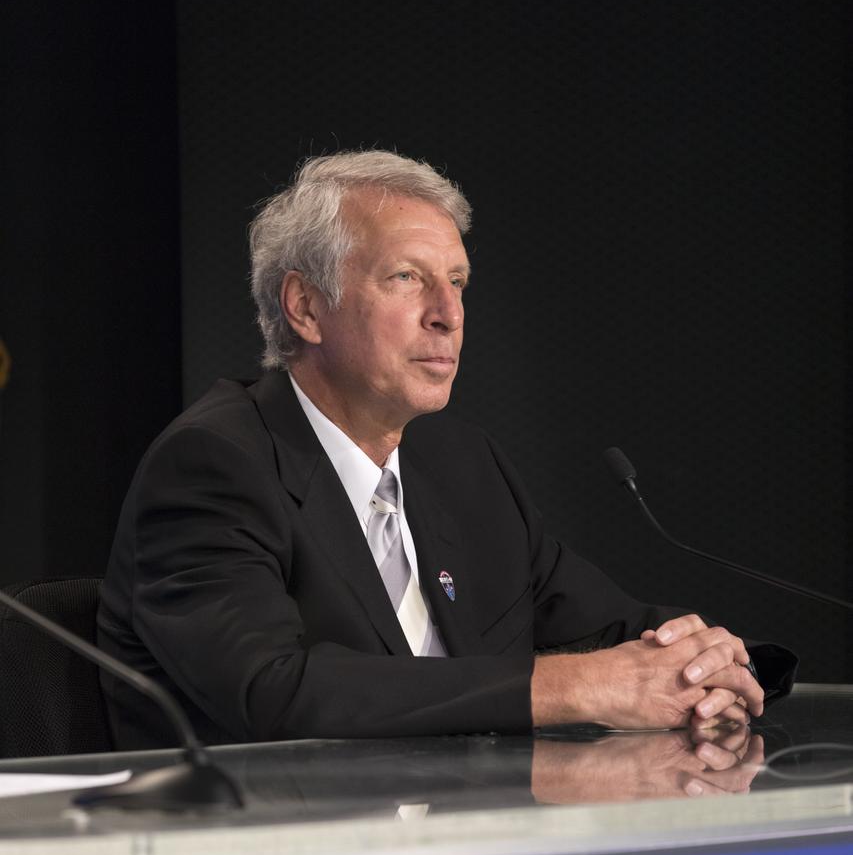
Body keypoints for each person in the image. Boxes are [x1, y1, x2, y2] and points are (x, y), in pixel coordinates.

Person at [97, 151, 793, 749]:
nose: (449, 314)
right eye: (406, 277)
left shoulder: (460, 464)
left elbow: (605, 627)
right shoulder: (214, 465)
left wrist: (709, 664)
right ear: (306, 308)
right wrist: (575, 687)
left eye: (456, 282)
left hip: (468, 851)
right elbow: (272, 690)